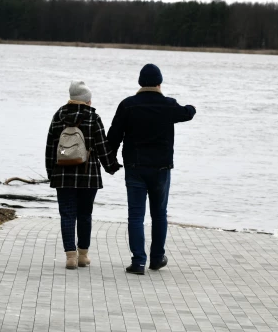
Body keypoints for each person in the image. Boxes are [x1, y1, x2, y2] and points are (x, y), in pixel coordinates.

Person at [107, 64, 196, 275]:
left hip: (135, 167)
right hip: (161, 168)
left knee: (136, 216)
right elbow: (187, 113)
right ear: (159, 83)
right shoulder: (168, 105)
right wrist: (192, 107)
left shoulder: (127, 105)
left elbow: (114, 137)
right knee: (159, 214)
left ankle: (138, 262)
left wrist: (108, 161)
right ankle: (156, 258)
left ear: (140, 83)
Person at [45, 80, 121, 269]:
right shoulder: (93, 117)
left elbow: (50, 147)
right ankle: (83, 255)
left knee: (67, 214)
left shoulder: (59, 115)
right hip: (89, 176)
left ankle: (70, 256)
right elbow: (102, 146)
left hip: (62, 175)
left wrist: (51, 173)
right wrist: (111, 166)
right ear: (87, 100)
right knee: (85, 214)